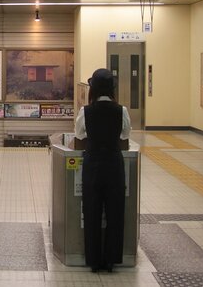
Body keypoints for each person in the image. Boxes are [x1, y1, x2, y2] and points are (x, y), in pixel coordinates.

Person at [75, 68, 131, 273]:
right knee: (115, 212)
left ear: (93, 89)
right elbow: (125, 135)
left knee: (92, 212)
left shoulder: (86, 111)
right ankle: (111, 260)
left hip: (93, 164)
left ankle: (94, 261)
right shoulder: (121, 110)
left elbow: (79, 134)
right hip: (114, 165)